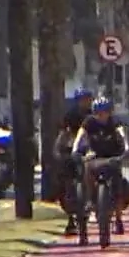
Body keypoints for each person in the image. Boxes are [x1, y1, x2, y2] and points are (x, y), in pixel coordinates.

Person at [72, 97, 129, 237]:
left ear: (109, 112)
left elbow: (122, 134)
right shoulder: (89, 122)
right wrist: (75, 149)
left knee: (117, 183)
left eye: (104, 112)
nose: (102, 115)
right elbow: (80, 136)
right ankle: (89, 199)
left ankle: (118, 218)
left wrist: (127, 147)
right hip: (95, 157)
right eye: (98, 112)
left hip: (112, 157)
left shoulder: (114, 122)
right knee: (87, 167)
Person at [57, 89, 94, 235]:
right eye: (84, 99)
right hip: (72, 151)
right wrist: (59, 149)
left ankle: (95, 202)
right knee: (64, 182)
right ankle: (70, 218)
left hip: (89, 151)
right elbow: (63, 134)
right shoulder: (70, 115)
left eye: (88, 99)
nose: (86, 102)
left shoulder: (94, 115)